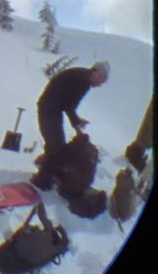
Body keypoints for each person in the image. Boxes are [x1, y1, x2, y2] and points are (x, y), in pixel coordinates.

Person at [30, 61, 110, 191]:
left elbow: (68, 103)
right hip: (49, 109)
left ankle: (49, 175)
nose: (100, 84)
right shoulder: (83, 81)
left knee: (57, 145)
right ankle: (41, 182)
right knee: (55, 147)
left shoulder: (82, 75)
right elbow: (69, 105)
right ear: (97, 73)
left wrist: (77, 121)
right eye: (102, 80)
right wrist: (77, 126)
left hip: (51, 108)